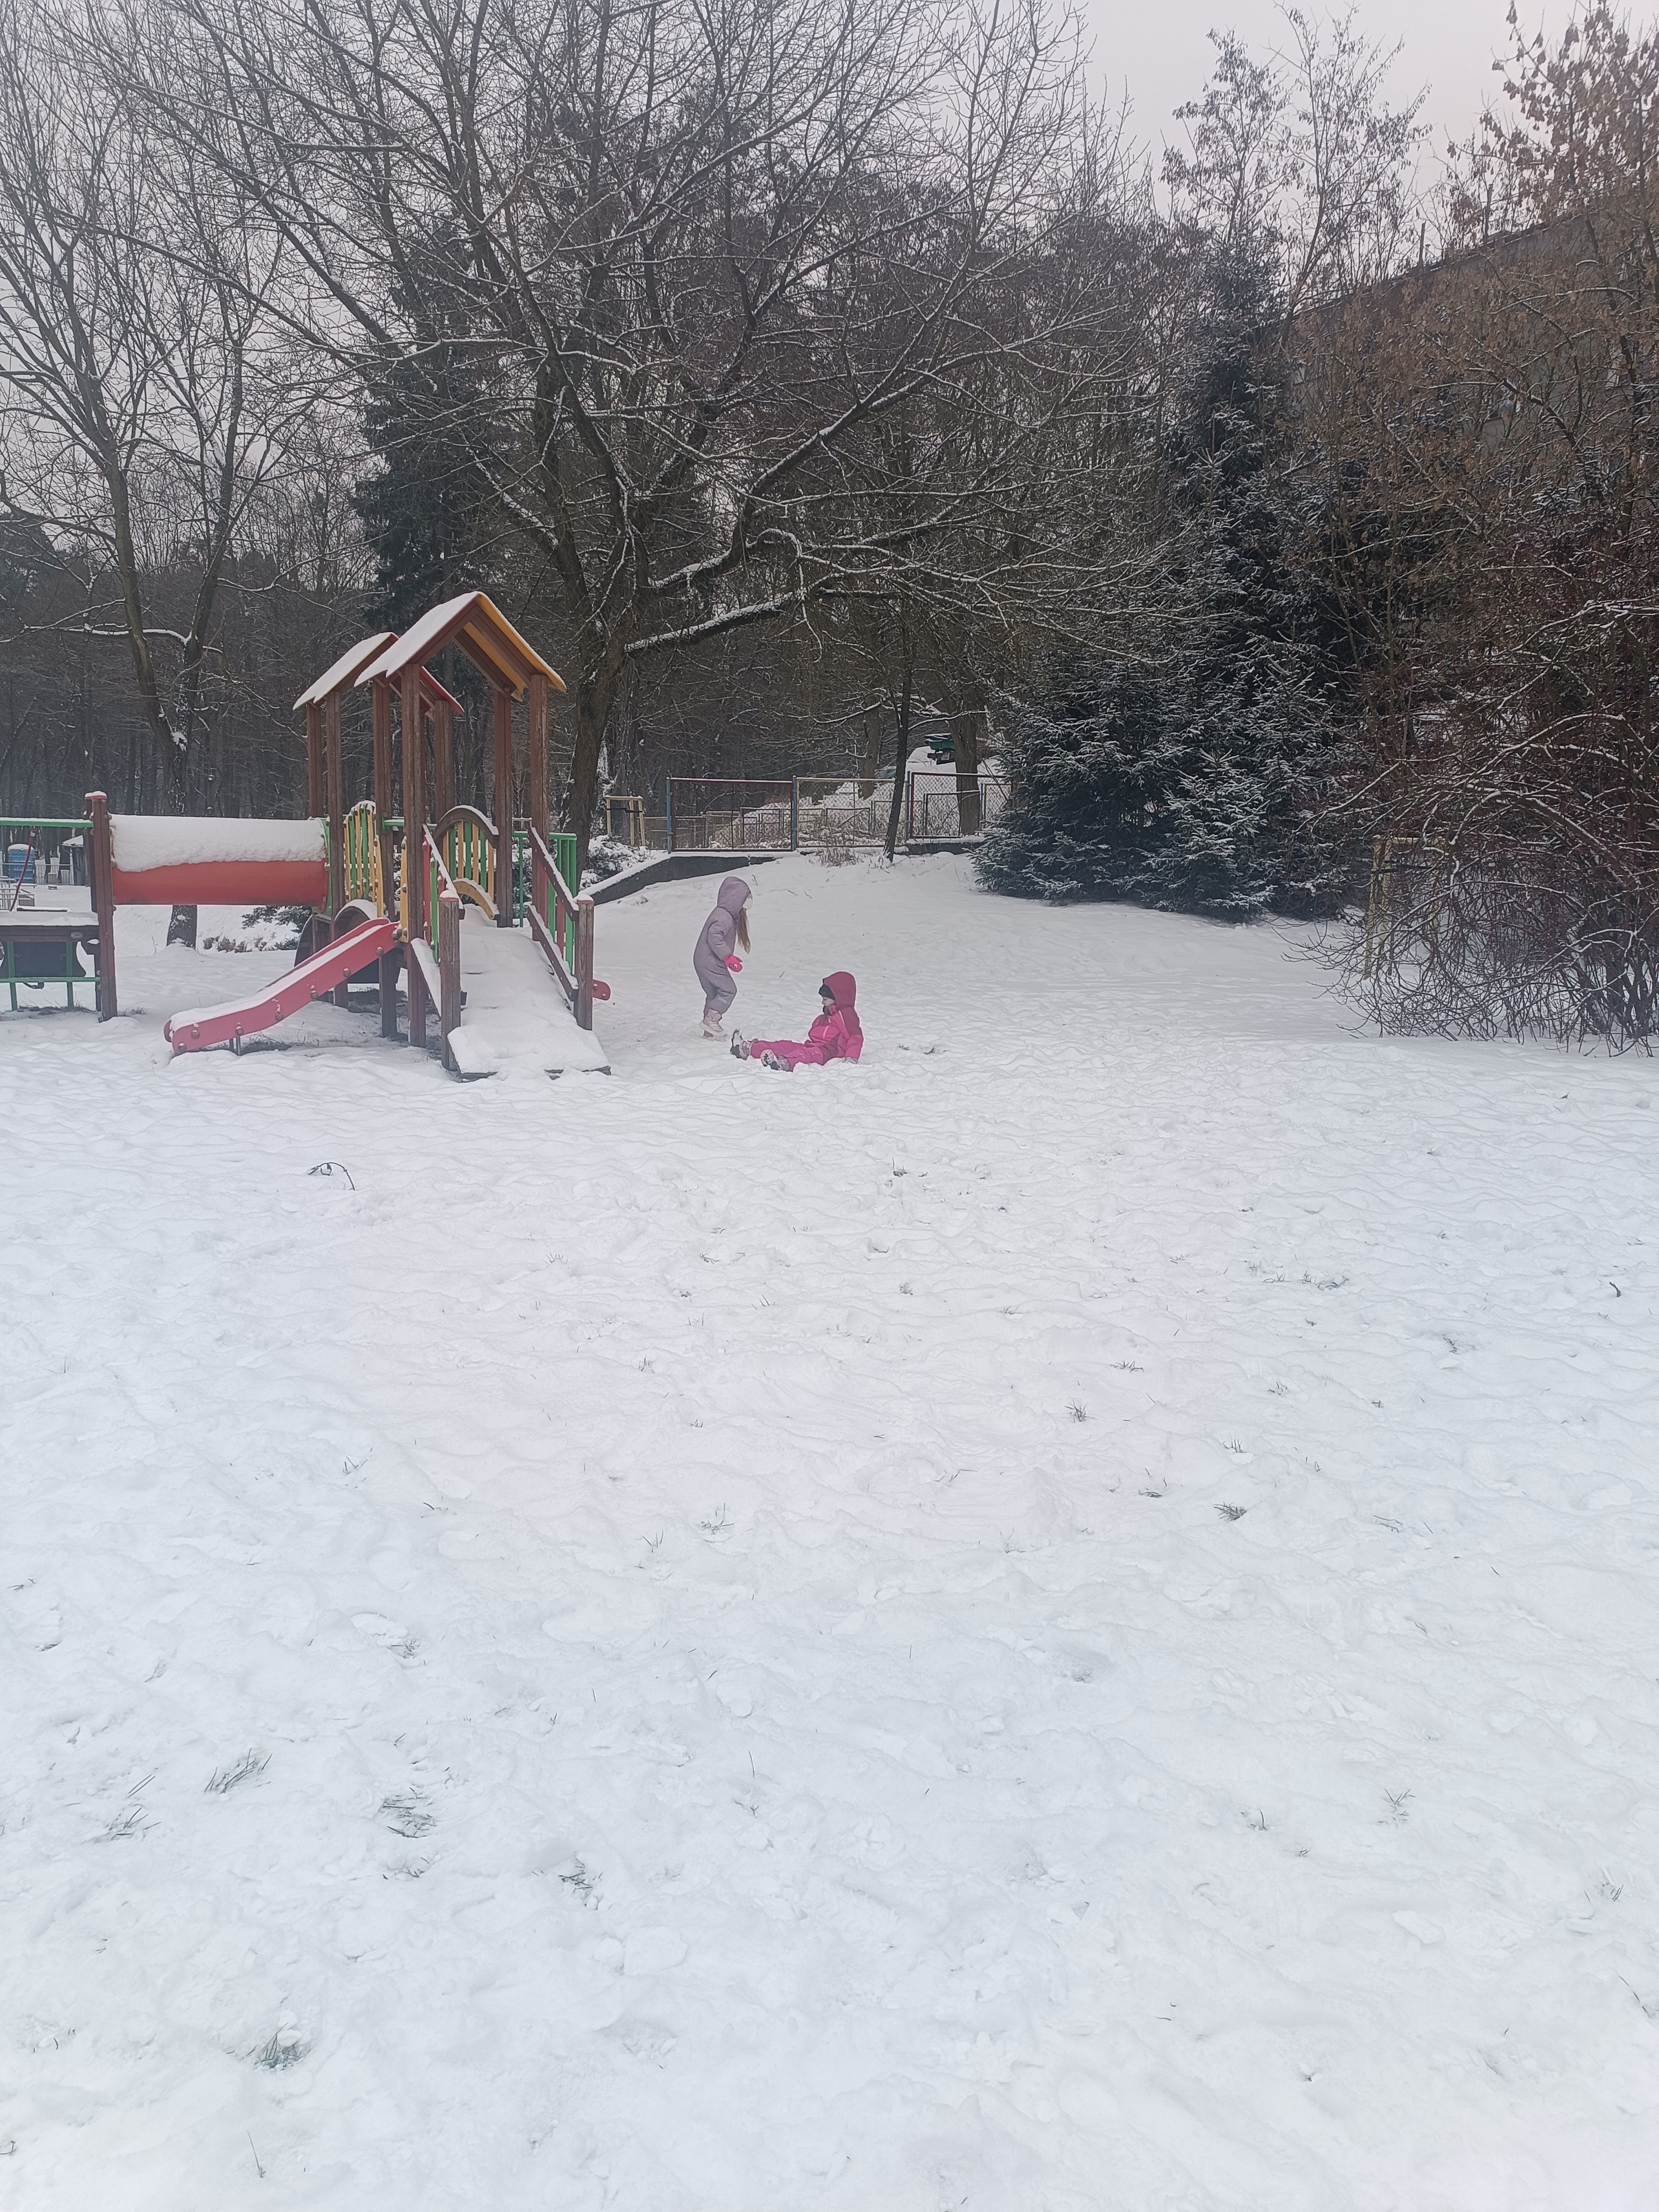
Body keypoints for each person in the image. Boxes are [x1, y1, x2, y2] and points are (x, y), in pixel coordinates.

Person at [731, 972, 862, 1070]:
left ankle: (784, 1063)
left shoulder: (846, 1014)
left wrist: (851, 1058)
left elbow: (855, 1037)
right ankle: (748, 1049)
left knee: (804, 1054)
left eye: (825, 999)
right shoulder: (829, 1014)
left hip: (828, 1052)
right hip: (813, 1046)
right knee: (784, 1046)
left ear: (838, 997)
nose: (823, 1002)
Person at [693, 875, 753, 1038]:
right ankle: (711, 1020)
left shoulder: (723, 914)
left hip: (702, 960)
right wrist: (728, 957)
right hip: (710, 961)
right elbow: (714, 936)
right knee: (729, 990)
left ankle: (709, 1033)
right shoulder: (724, 916)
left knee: (714, 994)